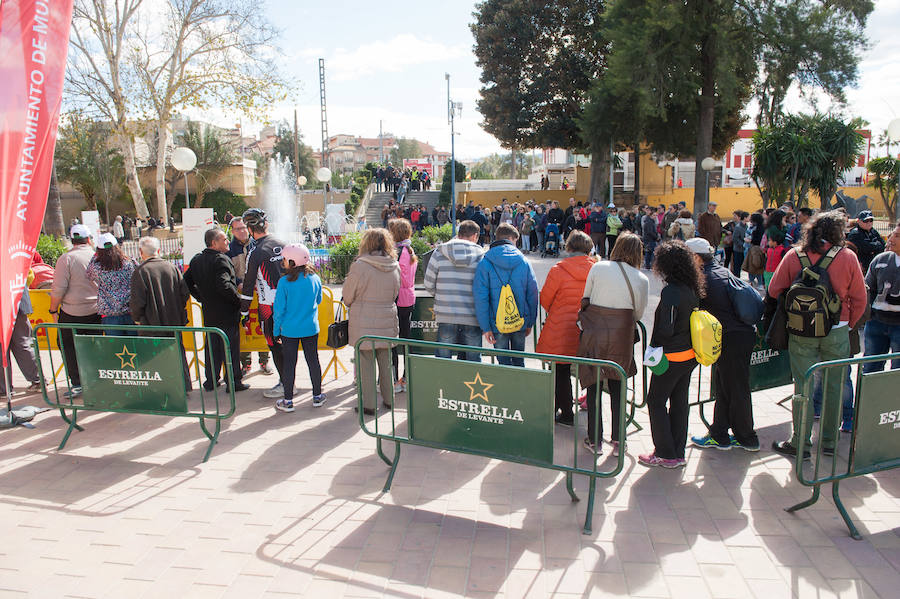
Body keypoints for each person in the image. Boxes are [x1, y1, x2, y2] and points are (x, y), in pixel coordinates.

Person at [767, 211, 867, 459]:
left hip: (802, 330)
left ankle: (800, 443)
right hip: (837, 330)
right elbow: (860, 298)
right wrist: (847, 323)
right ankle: (830, 443)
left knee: (803, 386)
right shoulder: (847, 257)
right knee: (835, 386)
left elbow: (773, 289)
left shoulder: (795, 255)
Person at [686, 238, 762, 452]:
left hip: (732, 338)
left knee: (735, 388)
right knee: (726, 386)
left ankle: (747, 437)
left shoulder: (704, 278)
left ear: (696, 257)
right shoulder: (720, 270)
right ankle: (719, 433)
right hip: (739, 336)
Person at [579, 233, 648, 455]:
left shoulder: (599, 268)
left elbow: (586, 297)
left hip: (595, 332)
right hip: (622, 336)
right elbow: (637, 313)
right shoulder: (641, 278)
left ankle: (595, 440)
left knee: (594, 385)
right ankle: (619, 440)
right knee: (619, 386)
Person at [640, 240, 704, 468]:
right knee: (679, 402)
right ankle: (677, 452)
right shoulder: (692, 289)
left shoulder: (671, 292)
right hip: (689, 356)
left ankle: (665, 453)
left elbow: (665, 330)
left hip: (671, 357)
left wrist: (654, 348)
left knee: (655, 401)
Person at [536, 231, 597, 426]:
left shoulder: (558, 269)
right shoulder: (598, 269)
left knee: (561, 370)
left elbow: (545, 299)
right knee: (591, 369)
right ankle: (592, 410)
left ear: (568, 247)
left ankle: (566, 412)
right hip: (588, 328)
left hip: (561, 327)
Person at [343, 228, 401, 414]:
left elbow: (348, 296)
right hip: (387, 317)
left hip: (363, 320)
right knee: (385, 361)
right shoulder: (394, 264)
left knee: (365, 364)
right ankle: (389, 400)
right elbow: (395, 293)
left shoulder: (359, 265)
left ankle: (368, 405)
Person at [184, 228, 249, 393]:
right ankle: (233, 381)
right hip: (226, 311)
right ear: (214, 243)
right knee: (230, 347)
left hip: (209, 311)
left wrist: (201, 297)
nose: (227, 241)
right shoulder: (221, 260)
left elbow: (186, 282)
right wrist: (239, 301)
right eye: (224, 239)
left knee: (212, 346)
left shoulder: (196, 260)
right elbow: (224, 285)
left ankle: (211, 380)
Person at [130, 236, 193, 389]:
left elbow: (138, 301)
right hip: (173, 321)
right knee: (177, 354)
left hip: (151, 324)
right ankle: (182, 386)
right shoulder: (171, 267)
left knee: (154, 358)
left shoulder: (141, 272)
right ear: (158, 251)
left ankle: (161, 388)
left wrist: (137, 318)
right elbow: (184, 293)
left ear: (141, 252)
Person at [473, 224, 538, 367]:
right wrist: (530, 322)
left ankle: (505, 388)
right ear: (511, 238)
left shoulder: (485, 263)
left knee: (503, 363)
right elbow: (533, 294)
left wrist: (485, 327)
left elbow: (480, 297)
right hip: (519, 320)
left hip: (497, 322)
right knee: (519, 361)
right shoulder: (524, 261)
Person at [239, 208, 287, 399]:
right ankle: (292, 382)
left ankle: (285, 384)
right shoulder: (284, 243)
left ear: (250, 229)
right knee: (289, 344)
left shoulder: (255, 251)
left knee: (275, 345)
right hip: (290, 304)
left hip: (269, 306)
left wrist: (244, 312)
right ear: (266, 224)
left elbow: (248, 285)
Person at [272, 243, 324, 412]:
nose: (283, 262)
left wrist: (275, 330)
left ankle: (288, 401)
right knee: (313, 361)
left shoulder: (284, 282)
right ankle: (317, 396)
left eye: (285, 259)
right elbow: (319, 300)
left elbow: (279, 310)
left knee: (289, 364)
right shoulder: (315, 278)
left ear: (292, 262)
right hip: (310, 328)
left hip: (289, 330)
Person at [50, 224, 100, 397]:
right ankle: (97, 378)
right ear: (88, 239)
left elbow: (58, 289)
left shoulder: (66, 259)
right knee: (95, 346)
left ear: (72, 240)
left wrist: (53, 309)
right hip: (96, 311)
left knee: (68, 346)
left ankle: (78, 382)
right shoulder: (97, 256)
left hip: (72, 313)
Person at [424, 220, 485, 361]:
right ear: (475, 236)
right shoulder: (482, 255)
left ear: (459, 234)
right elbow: (484, 287)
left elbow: (428, 283)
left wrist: (441, 295)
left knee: (443, 360)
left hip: (446, 313)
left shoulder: (439, 252)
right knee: (473, 361)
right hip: (472, 315)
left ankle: (444, 383)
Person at [227, 216, 271, 375]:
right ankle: (245, 363)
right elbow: (229, 271)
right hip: (241, 294)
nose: (242, 231)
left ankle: (264, 361)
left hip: (260, 293)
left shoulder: (258, 244)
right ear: (232, 231)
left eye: (244, 228)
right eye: (238, 229)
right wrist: (240, 283)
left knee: (262, 328)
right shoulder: (229, 249)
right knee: (245, 329)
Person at [862, 222, 900, 373]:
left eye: (897, 236)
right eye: (892, 234)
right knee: (870, 369)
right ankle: (869, 397)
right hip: (876, 324)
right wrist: (869, 314)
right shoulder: (880, 260)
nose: (891, 238)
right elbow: (867, 288)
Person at [86, 233, 137, 336]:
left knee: (115, 348)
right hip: (129, 311)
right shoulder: (129, 262)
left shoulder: (97, 267)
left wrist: (96, 254)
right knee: (134, 347)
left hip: (109, 314)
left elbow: (89, 274)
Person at [388, 219, 417, 394]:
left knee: (393, 341)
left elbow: (403, 279)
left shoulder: (400, 252)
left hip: (399, 300)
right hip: (408, 299)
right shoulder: (409, 249)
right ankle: (406, 378)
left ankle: (394, 380)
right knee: (406, 340)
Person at [0, 287, 41, 397]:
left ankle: (3, 388)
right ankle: (38, 380)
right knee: (23, 343)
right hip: (16, 297)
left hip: (10, 300)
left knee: (5, 347)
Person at [847, 210, 885, 274]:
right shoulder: (855, 234)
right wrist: (877, 245)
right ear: (859, 221)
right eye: (866, 221)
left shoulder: (873, 231)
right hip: (862, 267)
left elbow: (883, 245)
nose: (869, 223)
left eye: (871, 220)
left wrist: (875, 246)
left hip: (875, 264)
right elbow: (866, 248)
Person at [641, 205, 660, 269]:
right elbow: (650, 232)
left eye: (656, 215)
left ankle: (648, 265)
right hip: (649, 239)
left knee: (648, 252)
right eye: (654, 215)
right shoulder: (649, 222)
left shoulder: (650, 221)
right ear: (651, 216)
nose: (655, 217)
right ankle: (649, 265)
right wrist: (656, 237)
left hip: (649, 239)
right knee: (650, 252)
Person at [730, 211, 749, 278]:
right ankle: (736, 278)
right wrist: (742, 244)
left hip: (744, 249)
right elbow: (735, 238)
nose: (749, 218)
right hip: (738, 249)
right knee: (737, 265)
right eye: (748, 217)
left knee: (742, 265)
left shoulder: (746, 226)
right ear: (745, 218)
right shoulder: (738, 227)